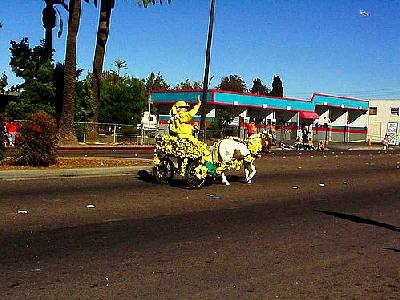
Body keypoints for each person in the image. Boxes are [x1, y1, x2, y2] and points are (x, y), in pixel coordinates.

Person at [169, 97, 216, 174]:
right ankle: (210, 169)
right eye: (185, 108)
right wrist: (198, 105)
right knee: (205, 151)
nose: (186, 109)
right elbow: (190, 114)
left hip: (182, 138)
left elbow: (183, 128)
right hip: (186, 139)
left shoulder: (177, 118)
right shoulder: (181, 115)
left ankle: (184, 167)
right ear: (179, 109)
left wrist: (193, 128)